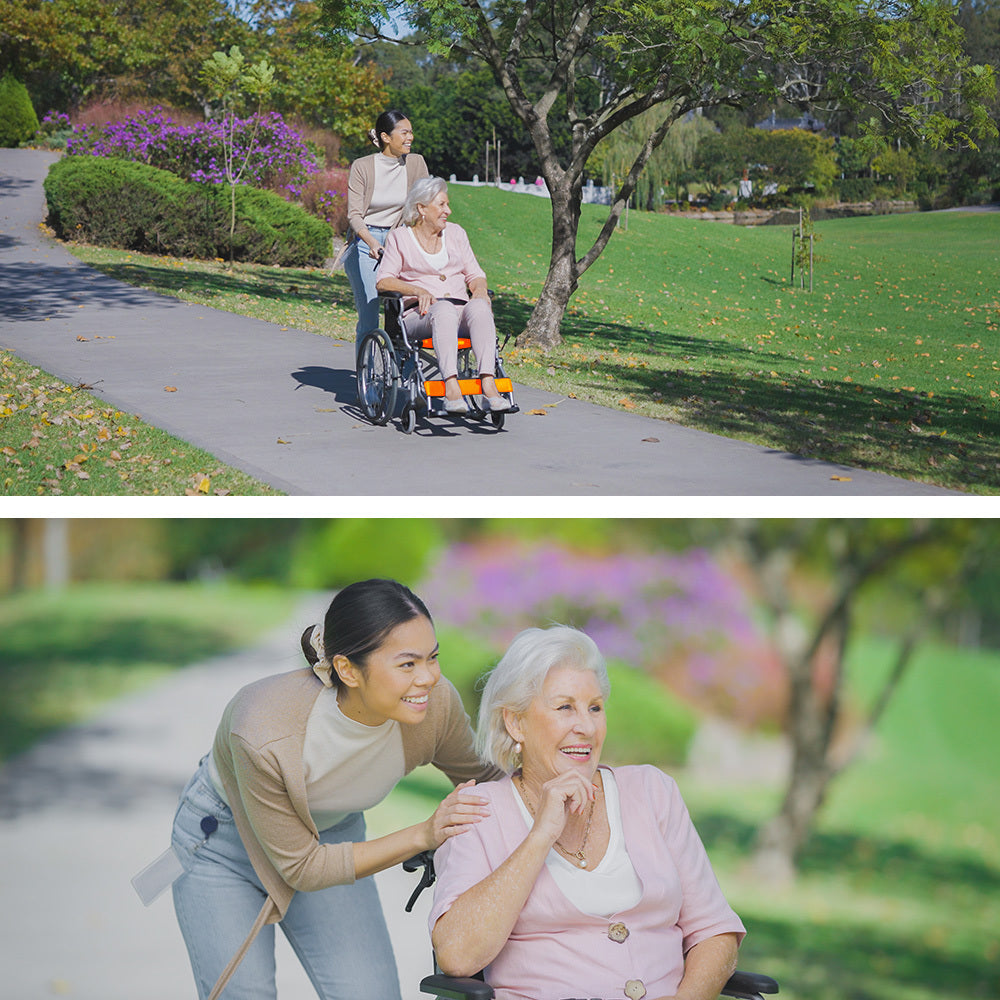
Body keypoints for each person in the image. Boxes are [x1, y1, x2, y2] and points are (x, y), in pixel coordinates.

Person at [170, 579, 498, 1000]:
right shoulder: (261, 729)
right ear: (347, 669)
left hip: (333, 833)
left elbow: (488, 780)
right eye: (408, 664)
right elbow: (303, 868)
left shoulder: (435, 707)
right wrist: (422, 834)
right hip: (224, 845)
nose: (429, 678)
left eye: (433, 658)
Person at [428, 625, 745, 1000]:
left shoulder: (651, 791)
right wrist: (540, 835)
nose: (586, 726)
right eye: (565, 708)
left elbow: (714, 931)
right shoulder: (479, 813)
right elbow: (457, 956)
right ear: (516, 723)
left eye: (595, 707)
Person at [376, 176, 510, 413]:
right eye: (441, 205)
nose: (448, 210)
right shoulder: (400, 237)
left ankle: (489, 386)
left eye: (447, 205)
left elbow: (476, 274)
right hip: (421, 314)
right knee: (444, 309)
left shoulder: (457, 233)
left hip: (461, 312)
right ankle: (451, 388)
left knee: (479, 307)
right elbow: (384, 281)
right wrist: (417, 290)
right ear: (422, 208)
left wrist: (479, 290)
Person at [344, 111, 429, 358]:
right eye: (404, 132)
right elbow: (354, 214)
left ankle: (409, 381)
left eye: (410, 132)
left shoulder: (416, 163)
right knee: (370, 316)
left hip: (398, 242)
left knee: (405, 312)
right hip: (364, 241)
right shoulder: (362, 166)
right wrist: (371, 242)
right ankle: (367, 381)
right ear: (385, 137)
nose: (410, 137)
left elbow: (423, 205)